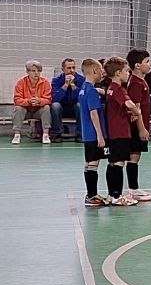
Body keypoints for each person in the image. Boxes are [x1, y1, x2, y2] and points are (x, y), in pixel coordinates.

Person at [103, 57, 140, 206]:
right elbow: (129, 104)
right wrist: (137, 111)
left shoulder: (110, 88)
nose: (128, 74)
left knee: (112, 163)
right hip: (121, 132)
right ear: (118, 73)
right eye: (126, 71)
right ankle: (117, 196)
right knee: (119, 163)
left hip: (112, 131)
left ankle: (111, 194)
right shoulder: (118, 89)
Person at [77, 58, 109, 207]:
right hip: (93, 133)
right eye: (101, 70)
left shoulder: (83, 89)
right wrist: (100, 135)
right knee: (93, 163)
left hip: (87, 133)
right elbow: (93, 113)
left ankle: (91, 194)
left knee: (89, 162)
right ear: (95, 70)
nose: (102, 73)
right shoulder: (91, 91)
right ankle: (91, 195)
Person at [124, 50, 151, 201]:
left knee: (136, 155)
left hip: (142, 124)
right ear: (137, 65)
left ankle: (134, 188)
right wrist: (142, 129)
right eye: (147, 61)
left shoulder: (142, 81)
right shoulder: (135, 83)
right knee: (134, 156)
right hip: (135, 127)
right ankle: (133, 188)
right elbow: (136, 109)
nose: (150, 64)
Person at [11, 59, 52, 145]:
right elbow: (17, 99)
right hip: (25, 111)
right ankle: (17, 135)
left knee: (46, 107)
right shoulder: (21, 82)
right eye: (33, 71)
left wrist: (39, 101)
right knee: (18, 108)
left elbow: (48, 99)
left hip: (38, 110)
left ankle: (45, 134)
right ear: (27, 72)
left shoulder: (45, 83)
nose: (36, 73)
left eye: (38, 71)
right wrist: (29, 101)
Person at [50, 58, 84, 142]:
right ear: (63, 69)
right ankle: (57, 134)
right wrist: (65, 86)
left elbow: (82, 98)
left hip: (75, 108)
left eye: (73, 68)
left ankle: (81, 134)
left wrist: (73, 86)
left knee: (80, 105)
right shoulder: (56, 80)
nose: (72, 70)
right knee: (55, 106)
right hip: (62, 109)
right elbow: (55, 99)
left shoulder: (81, 80)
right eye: (69, 68)